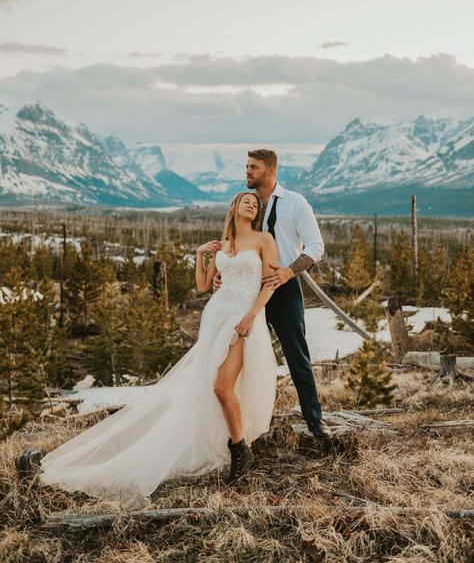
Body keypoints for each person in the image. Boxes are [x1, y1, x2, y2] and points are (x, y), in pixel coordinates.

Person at [39, 192, 278, 505]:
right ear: (234, 207)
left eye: (255, 203)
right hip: (217, 318)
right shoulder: (223, 244)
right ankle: (236, 445)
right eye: (244, 200)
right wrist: (199, 256)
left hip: (244, 319)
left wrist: (250, 316)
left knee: (222, 387)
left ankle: (240, 450)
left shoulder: (263, 239)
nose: (251, 204)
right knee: (211, 386)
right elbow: (204, 286)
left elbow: (271, 282)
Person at [222, 149, 331, 440]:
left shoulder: (295, 203)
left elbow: (315, 246)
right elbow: (238, 242)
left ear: (270, 171)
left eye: (253, 167)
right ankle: (252, 425)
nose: (247, 171)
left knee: (297, 356)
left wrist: (288, 271)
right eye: (246, 166)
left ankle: (314, 420)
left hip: (283, 289)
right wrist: (227, 271)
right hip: (249, 292)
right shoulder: (250, 205)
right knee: (248, 358)